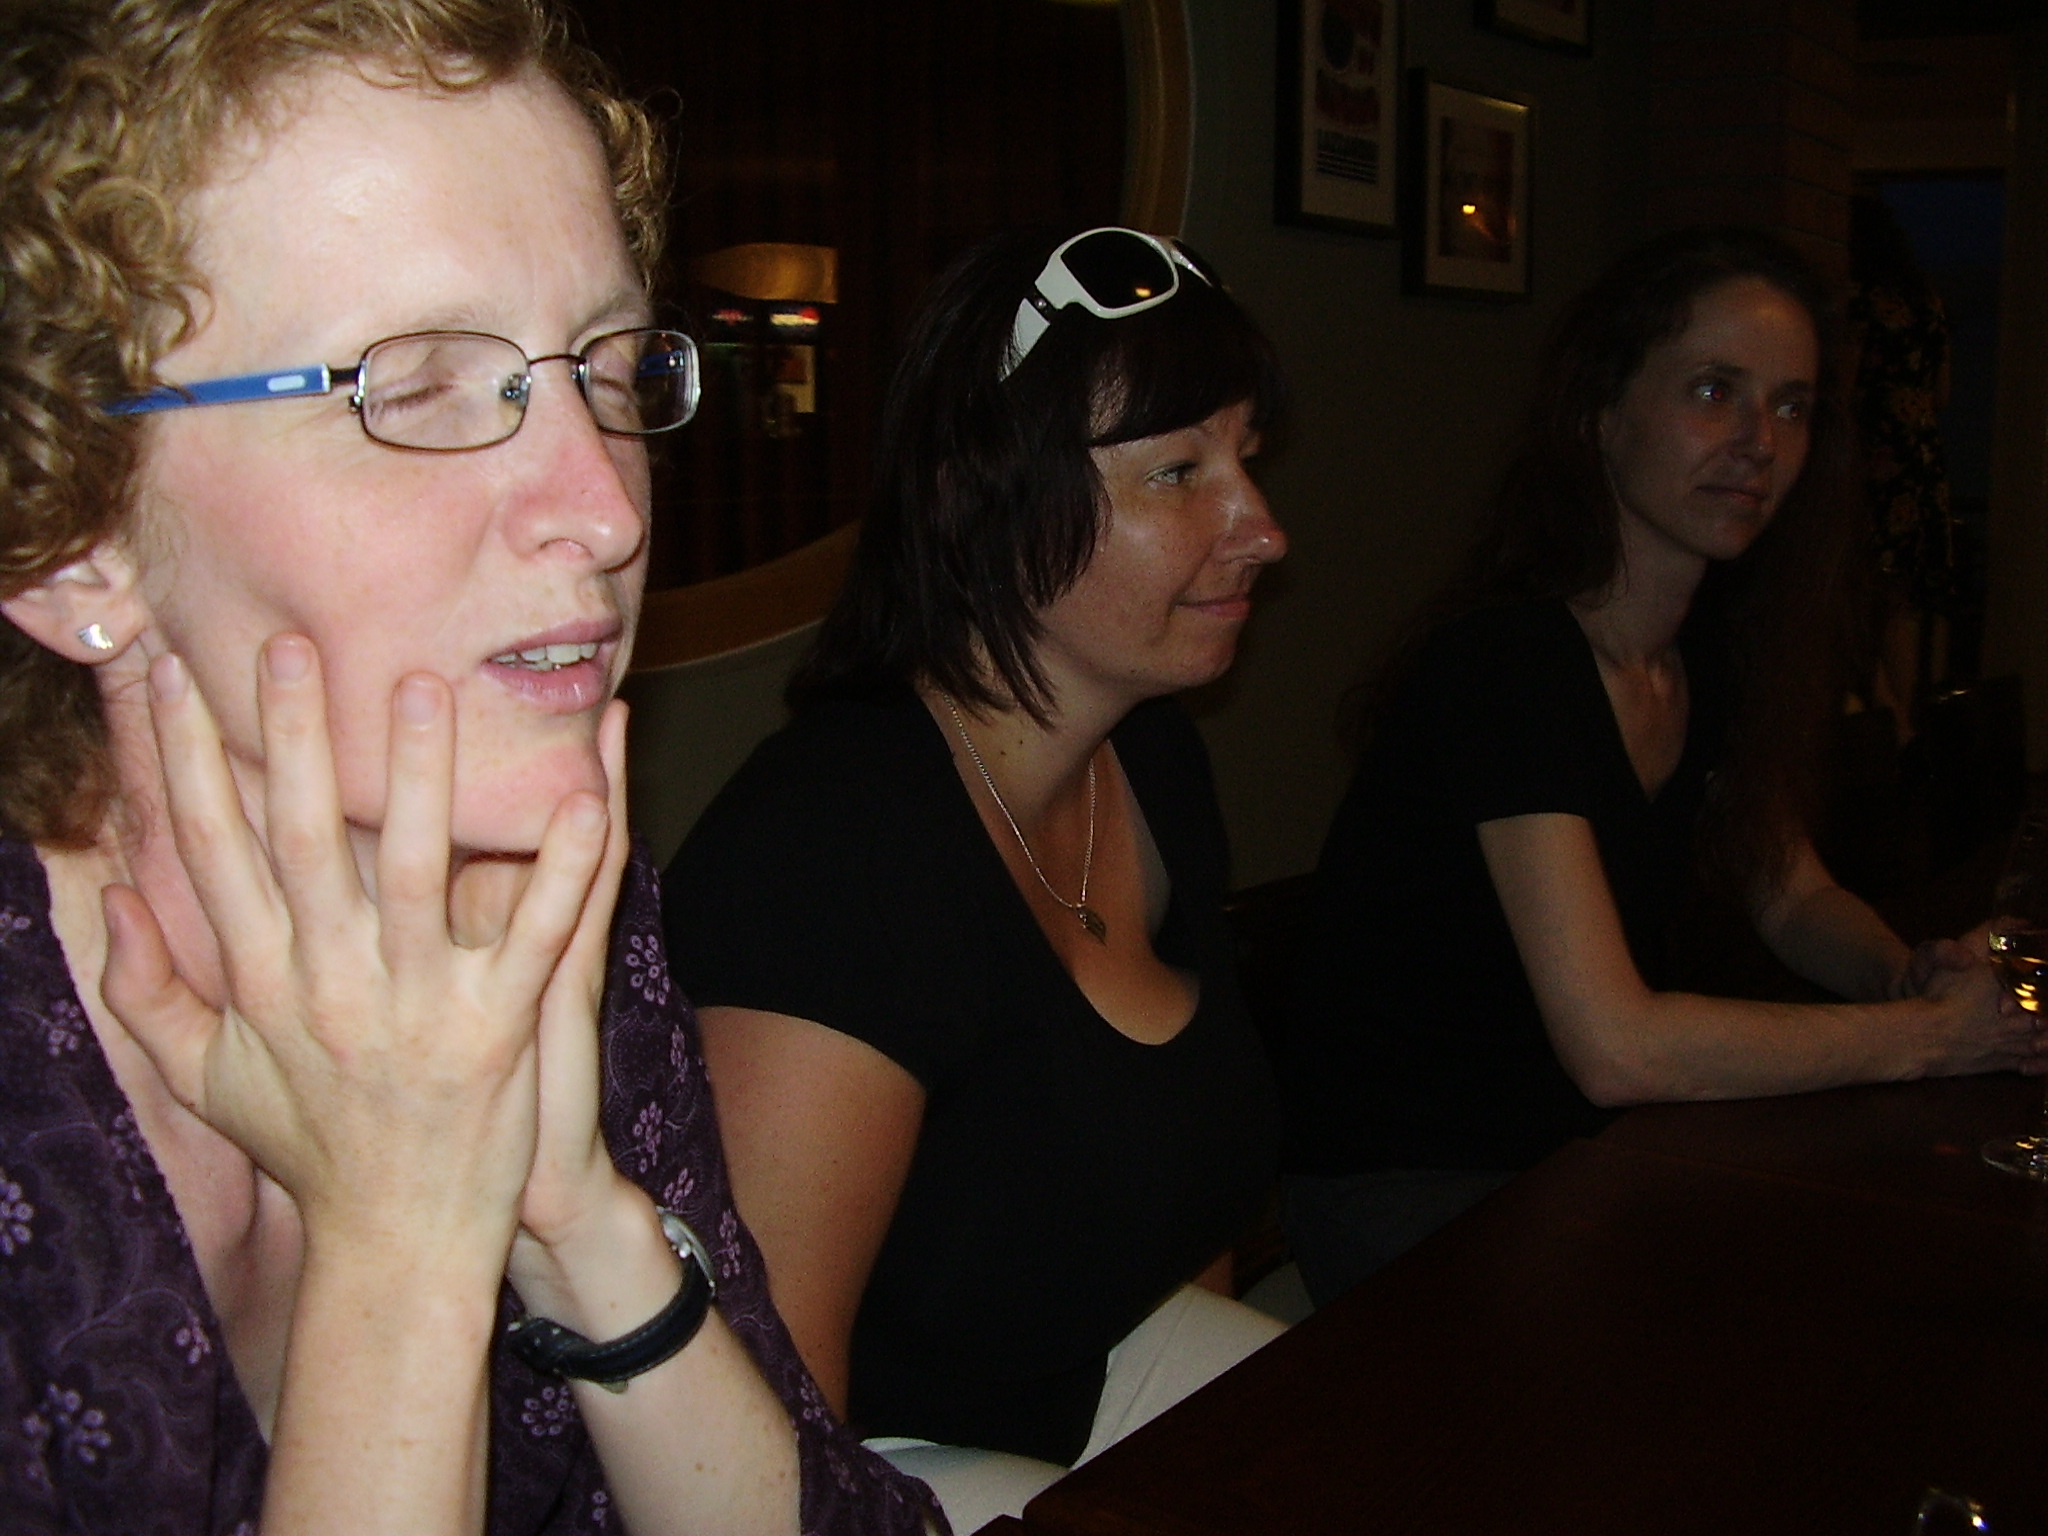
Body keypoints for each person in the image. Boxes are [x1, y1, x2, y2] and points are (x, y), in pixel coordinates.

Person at [0, 2, 942, 1531]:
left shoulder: (536, 903)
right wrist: (406, 1222)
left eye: (608, 368)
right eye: (417, 388)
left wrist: (581, 1224)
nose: (606, 509)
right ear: (70, 536)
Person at [1278, 226, 2045, 1311]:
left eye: (1790, 406)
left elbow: (1792, 895)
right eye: (1712, 391)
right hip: (1411, 1188)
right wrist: (1926, 1039)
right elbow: (1619, 1048)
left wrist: (1904, 976)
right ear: (1601, 414)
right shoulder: (1507, 665)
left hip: (1582, 1161)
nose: (1758, 442)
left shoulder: (1703, 657)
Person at [664, 227, 1289, 1529]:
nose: (1261, 530)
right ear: (978, 498)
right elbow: (766, 1423)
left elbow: (1187, 1189)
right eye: (1179, 471)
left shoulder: (1151, 761)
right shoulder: (831, 854)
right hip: (860, 1457)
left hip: (1078, 1372)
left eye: (1247, 457)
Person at [1845, 193, 1958, 740]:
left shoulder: (1861, 301)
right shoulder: (1926, 301)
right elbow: (1942, 392)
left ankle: (1892, 723)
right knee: (1907, 600)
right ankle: (1911, 723)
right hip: (1922, 459)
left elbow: (1844, 388)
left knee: (1867, 591)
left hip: (1878, 460)